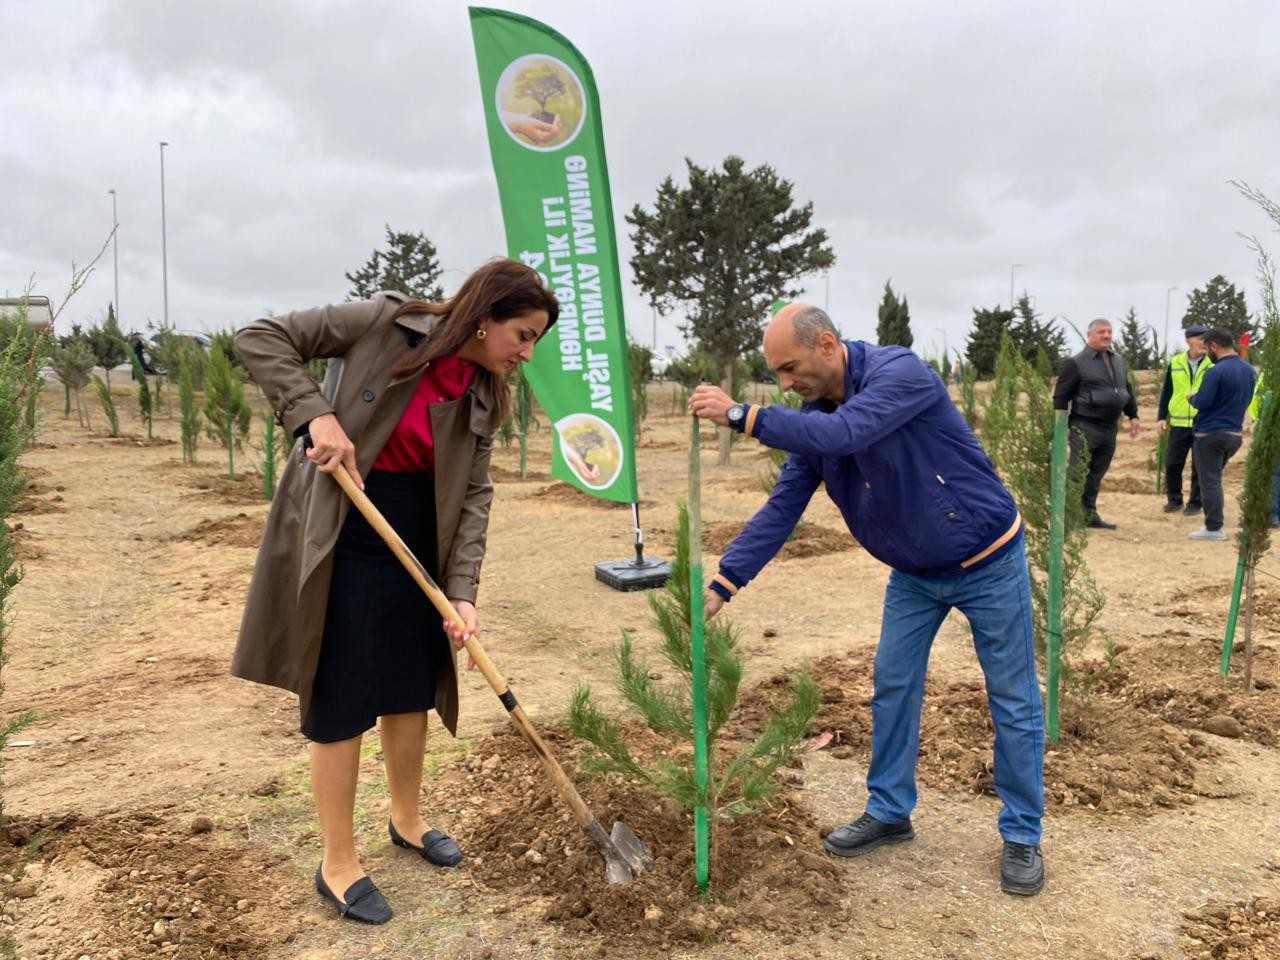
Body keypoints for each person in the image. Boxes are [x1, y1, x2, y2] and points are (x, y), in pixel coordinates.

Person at [231, 259, 558, 923]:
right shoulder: (383, 323)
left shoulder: (485, 391)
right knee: (343, 692)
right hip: (346, 528)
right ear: (484, 314)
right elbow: (260, 336)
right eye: (522, 335)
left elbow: (473, 493)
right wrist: (316, 417)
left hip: (421, 541)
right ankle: (338, 861)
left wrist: (462, 590)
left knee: (410, 685)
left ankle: (406, 821)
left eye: (534, 343)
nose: (525, 354)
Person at [688, 304, 1046, 897]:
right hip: (913, 573)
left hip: (988, 559)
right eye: (776, 374)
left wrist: (740, 413)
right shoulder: (812, 417)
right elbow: (784, 506)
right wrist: (724, 583)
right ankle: (890, 811)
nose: (785, 383)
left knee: (1011, 696)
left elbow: (848, 433)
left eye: (790, 368)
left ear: (828, 345)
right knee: (893, 683)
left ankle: (1023, 832)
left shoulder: (900, 373)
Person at [1051, 318, 1141, 529]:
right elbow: (1061, 397)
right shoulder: (1077, 363)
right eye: (1101, 332)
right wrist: (1061, 426)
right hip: (1085, 425)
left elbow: (1126, 388)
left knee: (1097, 472)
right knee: (1078, 471)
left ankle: (1088, 512)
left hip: (1109, 427)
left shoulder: (1118, 360)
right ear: (1089, 335)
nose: (1107, 336)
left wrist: (1133, 414)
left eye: (1109, 332)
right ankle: (1069, 515)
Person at [1186, 327, 1256, 541]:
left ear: (1215, 346)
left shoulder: (1215, 372)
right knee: (1214, 478)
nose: (1208, 354)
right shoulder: (1249, 371)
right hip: (1234, 434)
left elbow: (1204, 402)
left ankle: (1214, 527)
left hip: (1210, 434)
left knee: (1210, 480)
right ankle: (1214, 524)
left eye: (1208, 350)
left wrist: (1192, 397)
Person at [1156, 324, 1212, 515]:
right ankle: (1174, 500)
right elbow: (1167, 391)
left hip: (1202, 423)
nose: (1204, 343)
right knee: (1172, 463)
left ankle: (1195, 503)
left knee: (1199, 466)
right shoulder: (1176, 362)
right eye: (1200, 339)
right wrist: (1161, 417)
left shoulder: (1212, 364)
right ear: (1189, 341)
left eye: (1207, 339)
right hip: (1179, 423)